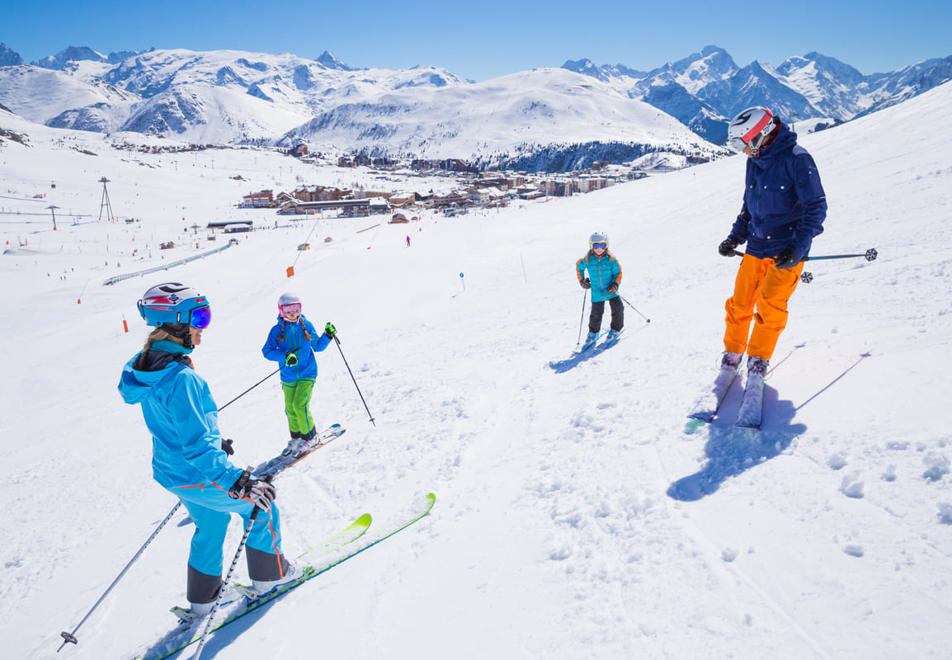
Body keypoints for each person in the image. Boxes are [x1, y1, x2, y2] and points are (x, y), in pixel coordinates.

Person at [118, 282, 299, 616]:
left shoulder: (149, 368)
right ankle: (271, 579)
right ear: (174, 322)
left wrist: (213, 441)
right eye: (198, 318)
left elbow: (181, 427)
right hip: (198, 473)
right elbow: (198, 450)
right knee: (262, 508)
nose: (203, 328)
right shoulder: (181, 378)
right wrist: (239, 481)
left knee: (212, 522)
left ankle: (204, 601)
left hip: (173, 473)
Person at [718, 105, 827, 387]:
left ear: (758, 135)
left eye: (741, 144)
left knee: (770, 306)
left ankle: (758, 360)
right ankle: (732, 354)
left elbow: (816, 208)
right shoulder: (754, 160)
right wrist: (735, 237)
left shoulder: (798, 159)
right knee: (739, 305)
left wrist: (797, 249)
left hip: (787, 249)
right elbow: (749, 205)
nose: (740, 151)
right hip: (756, 244)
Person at [262, 293, 336, 455]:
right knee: (290, 408)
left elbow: (317, 346)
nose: (292, 312)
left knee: (299, 405)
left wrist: (327, 335)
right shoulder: (276, 331)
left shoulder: (306, 326)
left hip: (307, 373)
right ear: (281, 311)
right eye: (287, 309)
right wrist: (285, 356)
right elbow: (266, 352)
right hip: (288, 376)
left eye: (295, 308)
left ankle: (311, 437)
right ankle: (296, 438)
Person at [575, 232, 624, 344]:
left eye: (602, 246)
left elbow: (618, 273)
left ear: (606, 246)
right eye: (595, 246)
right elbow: (579, 267)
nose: (598, 249)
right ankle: (593, 332)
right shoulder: (588, 259)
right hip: (596, 290)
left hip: (610, 288)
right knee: (596, 313)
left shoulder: (611, 260)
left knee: (618, 308)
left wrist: (615, 284)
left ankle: (616, 329)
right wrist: (582, 281)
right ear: (591, 246)